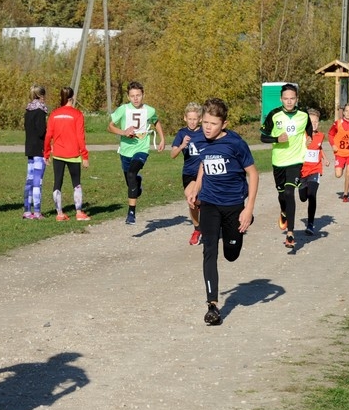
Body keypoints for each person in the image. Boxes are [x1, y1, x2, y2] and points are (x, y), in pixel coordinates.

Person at [185, 98, 258, 326]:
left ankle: (240, 229)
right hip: (209, 203)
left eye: (213, 123)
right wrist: (197, 187)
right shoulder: (201, 140)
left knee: (231, 254)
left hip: (234, 206)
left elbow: (253, 174)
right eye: (205, 122)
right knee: (209, 250)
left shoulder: (236, 143)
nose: (207, 127)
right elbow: (203, 164)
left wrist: (248, 208)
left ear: (223, 124)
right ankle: (212, 306)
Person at [260, 83, 313, 247]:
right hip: (278, 162)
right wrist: (277, 139)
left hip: (296, 160)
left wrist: (309, 137)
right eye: (286, 99)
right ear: (281, 99)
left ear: (296, 99)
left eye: (292, 98)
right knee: (282, 195)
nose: (289, 102)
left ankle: (290, 233)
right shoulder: (274, 115)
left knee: (290, 192)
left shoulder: (304, 114)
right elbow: (263, 137)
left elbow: (309, 128)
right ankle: (283, 211)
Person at [107, 81, 165, 225]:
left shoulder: (150, 110)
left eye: (138, 95)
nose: (136, 98)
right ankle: (137, 183)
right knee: (130, 180)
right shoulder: (123, 109)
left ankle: (131, 213)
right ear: (128, 96)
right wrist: (124, 132)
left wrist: (162, 139)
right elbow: (110, 127)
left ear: (143, 95)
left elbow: (156, 121)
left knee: (132, 173)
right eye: (132, 96)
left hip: (142, 148)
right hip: (125, 150)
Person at [44, 86, 90, 221]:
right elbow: (80, 137)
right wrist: (85, 156)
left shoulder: (54, 114)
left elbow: (48, 136)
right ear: (72, 98)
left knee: (57, 182)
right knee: (76, 183)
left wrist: (46, 153)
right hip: (74, 154)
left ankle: (59, 214)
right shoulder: (77, 114)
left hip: (58, 153)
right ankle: (79, 212)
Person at [171, 102, 206, 245]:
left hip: (204, 172)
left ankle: (201, 227)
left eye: (195, 119)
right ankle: (198, 228)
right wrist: (182, 146)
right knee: (191, 199)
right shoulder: (182, 133)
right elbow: (172, 154)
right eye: (189, 119)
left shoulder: (205, 131)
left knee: (194, 198)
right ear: (185, 118)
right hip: (189, 173)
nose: (192, 122)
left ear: (200, 119)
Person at [299, 108, 330, 235]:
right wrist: (304, 144)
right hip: (302, 171)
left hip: (315, 170)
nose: (314, 124)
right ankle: (303, 189)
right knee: (302, 198)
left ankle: (310, 224)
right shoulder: (302, 136)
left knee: (312, 195)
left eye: (316, 122)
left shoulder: (321, 135)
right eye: (311, 122)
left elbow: (319, 147)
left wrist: (325, 158)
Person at [22, 85, 47, 219]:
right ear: (42, 96)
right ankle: (37, 211)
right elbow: (41, 131)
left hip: (29, 148)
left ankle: (27, 210)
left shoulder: (28, 110)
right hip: (39, 149)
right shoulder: (40, 111)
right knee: (38, 181)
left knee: (29, 179)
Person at [328, 103, 349, 203]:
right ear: (343, 112)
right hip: (339, 152)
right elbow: (330, 134)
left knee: (348, 172)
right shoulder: (337, 123)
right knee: (338, 174)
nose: (348, 113)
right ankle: (341, 166)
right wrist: (333, 145)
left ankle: (346, 194)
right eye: (346, 111)